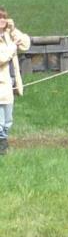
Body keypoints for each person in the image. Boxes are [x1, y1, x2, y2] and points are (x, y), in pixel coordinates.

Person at [0, 8, 31, 155]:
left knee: (7, 121)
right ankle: (2, 149)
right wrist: (13, 46)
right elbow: (2, 58)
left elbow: (25, 45)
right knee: (0, 123)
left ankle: (3, 147)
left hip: (9, 83)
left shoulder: (7, 35)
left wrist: (14, 30)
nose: (2, 20)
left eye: (4, 18)